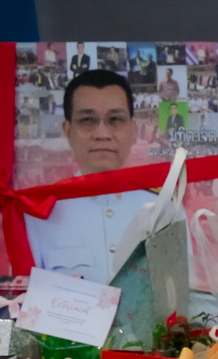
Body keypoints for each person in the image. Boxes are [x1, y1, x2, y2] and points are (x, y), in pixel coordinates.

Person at [23, 70, 156, 282]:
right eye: (87, 120)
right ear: (68, 131)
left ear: (133, 130)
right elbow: (26, 294)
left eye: (115, 119)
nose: (102, 134)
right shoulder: (39, 211)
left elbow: (183, 293)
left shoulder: (163, 209)